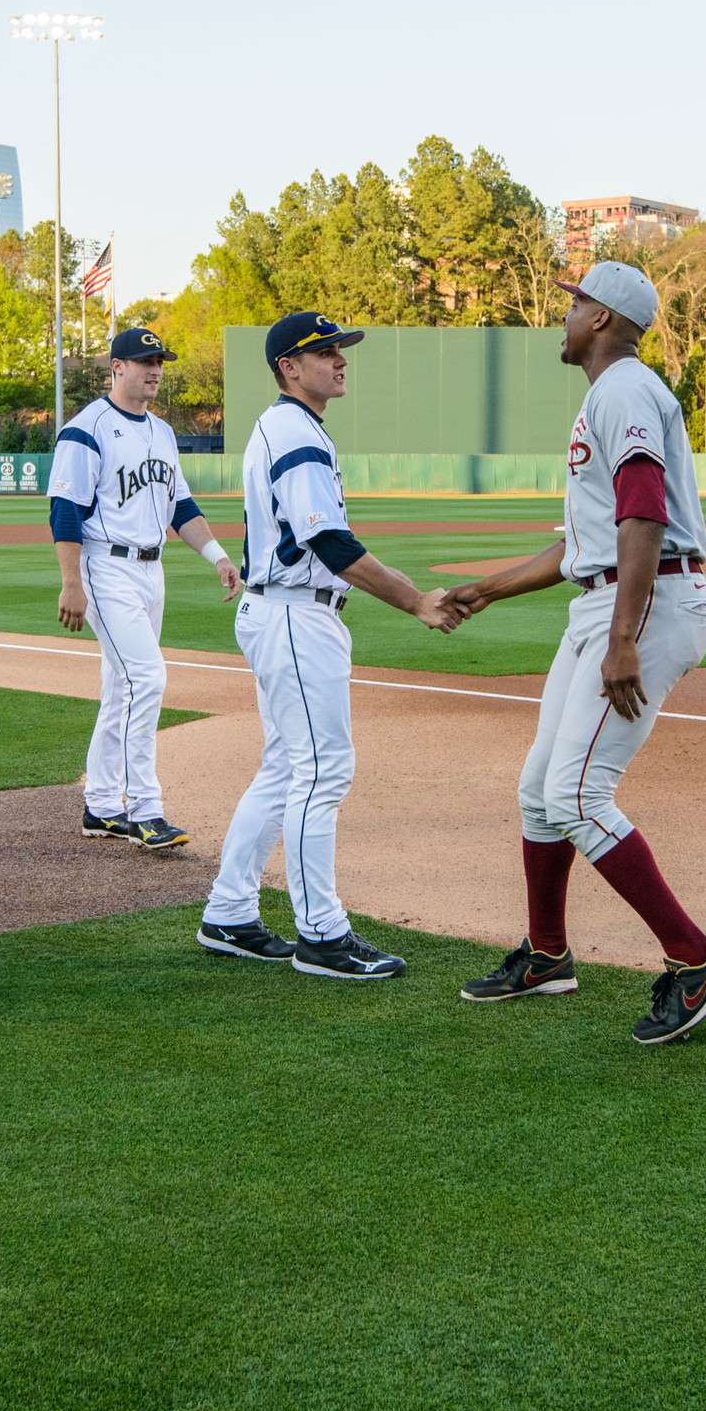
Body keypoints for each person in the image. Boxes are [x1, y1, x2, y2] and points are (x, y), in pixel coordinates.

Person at [441, 262, 706, 1044]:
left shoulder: (626, 390)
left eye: (576, 302)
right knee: (541, 787)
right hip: (607, 599)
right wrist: (492, 589)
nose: (566, 313)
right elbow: (588, 541)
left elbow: (644, 517)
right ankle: (547, 954)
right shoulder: (607, 395)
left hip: (645, 604)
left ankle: (697, 960)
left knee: (579, 797)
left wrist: (622, 640)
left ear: (606, 319)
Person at [197, 311, 458, 979]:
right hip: (293, 615)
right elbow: (329, 543)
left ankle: (229, 911)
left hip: (283, 612)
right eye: (324, 352)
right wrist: (415, 599)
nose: (340, 360)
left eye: (341, 349)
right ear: (289, 367)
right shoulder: (294, 432)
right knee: (321, 770)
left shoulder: (290, 428)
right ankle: (321, 934)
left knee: (287, 764)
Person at [48, 325, 242, 852]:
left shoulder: (160, 431)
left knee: (121, 689)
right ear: (117, 367)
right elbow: (64, 512)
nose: (155, 370)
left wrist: (219, 557)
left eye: (159, 361)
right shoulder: (85, 430)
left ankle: (102, 806)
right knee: (146, 678)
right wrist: (72, 583)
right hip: (104, 568)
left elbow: (181, 507)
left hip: (150, 571)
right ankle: (146, 809)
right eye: (143, 361)